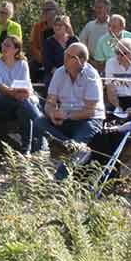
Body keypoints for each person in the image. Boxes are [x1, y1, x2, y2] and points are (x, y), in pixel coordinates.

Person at [38, 42, 105, 175]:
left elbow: (90, 111)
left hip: (89, 120)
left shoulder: (91, 76)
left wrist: (66, 115)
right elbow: (50, 102)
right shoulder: (59, 72)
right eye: (65, 54)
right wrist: (52, 114)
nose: (65, 58)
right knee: (39, 122)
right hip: (64, 119)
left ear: (80, 60)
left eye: (69, 56)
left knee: (78, 147)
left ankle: (60, 179)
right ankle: (67, 146)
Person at [0, 35, 42, 154]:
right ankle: (43, 128)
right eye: (3, 44)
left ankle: (26, 149)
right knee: (23, 102)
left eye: (8, 45)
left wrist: (25, 93)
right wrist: (13, 93)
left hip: (19, 102)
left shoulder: (22, 64)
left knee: (23, 109)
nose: (4, 47)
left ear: (16, 50)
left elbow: (28, 86)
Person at [41, 15, 78, 84]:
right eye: (55, 25)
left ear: (66, 27)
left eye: (60, 25)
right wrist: (60, 74)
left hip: (73, 72)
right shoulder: (48, 42)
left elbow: (80, 54)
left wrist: (72, 34)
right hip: (54, 73)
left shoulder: (72, 40)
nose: (57, 27)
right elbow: (47, 63)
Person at [27, 0, 58, 80]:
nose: (44, 12)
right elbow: (33, 45)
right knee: (29, 66)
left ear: (56, 11)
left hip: (58, 59)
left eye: (47, 10)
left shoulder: (62, 25)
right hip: (42, 59)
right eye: (43, 10)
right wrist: (42, 58)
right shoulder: (38, 26)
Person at [78, 0, 112, 67]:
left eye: (100, 8)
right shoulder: (90, 26)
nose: (97, 10)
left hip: (110, 64)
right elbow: (81, 43)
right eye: (96, 8)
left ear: (107, 8)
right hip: (91, 63)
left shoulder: (113, 25)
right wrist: (89, 60)